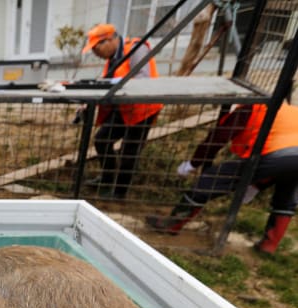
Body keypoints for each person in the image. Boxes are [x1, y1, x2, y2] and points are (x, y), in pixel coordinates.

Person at [146, 101, 298, 254]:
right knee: (286, 198)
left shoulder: (251, 108)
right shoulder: (290, 112)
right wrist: (256, 186)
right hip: (289, 156)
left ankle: (172, 224)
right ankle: (268, 246)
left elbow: (219, 137)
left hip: (275, 155)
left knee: (209, 181)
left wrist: (193, 163)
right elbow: (284, 163)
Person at [83, 23, 163, 199]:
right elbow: (109, 82)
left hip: (142, 108)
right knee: (102, 140)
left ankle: (119, 193)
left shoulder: (136, 49)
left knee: (129, 151)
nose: (95, 54)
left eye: (96, 48)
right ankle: (107, 177)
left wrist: (113, 85)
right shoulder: (113, 57)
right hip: (124, 107)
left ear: (109, 40)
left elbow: (143, 79)